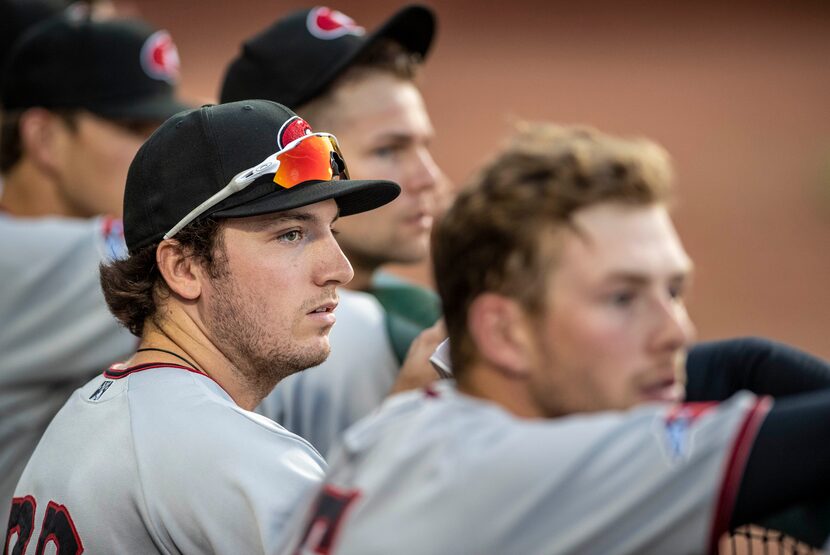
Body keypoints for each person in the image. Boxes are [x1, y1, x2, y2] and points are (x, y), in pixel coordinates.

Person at [284, 123, 830, 554]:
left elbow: (740, 365)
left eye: (674, 290)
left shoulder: (414, 423)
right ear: (503, 333)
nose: (676, 332)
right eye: (621, 299)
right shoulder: (508, 473)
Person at [4, 99, 400, 553]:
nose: (340, 269)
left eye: (333, 232)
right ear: (184, 267)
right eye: (291, 233)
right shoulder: (225, 454)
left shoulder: (88, 412)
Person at [220, 4, 446, 457]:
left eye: (423, 146)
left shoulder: (411, 308)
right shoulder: (235, 335)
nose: (430, 178)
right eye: (388, 150)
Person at [0, 14, 188, 527]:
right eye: (133, 129)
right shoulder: (22, 259)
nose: (160, 153)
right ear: (43, 137)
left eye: (163, 129)